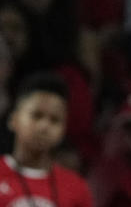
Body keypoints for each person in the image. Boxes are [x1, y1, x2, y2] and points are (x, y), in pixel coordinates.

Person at [0, 72, 93, 206]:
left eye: (55, 120)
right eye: (36, 115)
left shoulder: (77, 188)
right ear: (13, 119)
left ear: (63, 129)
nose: (44, 126)